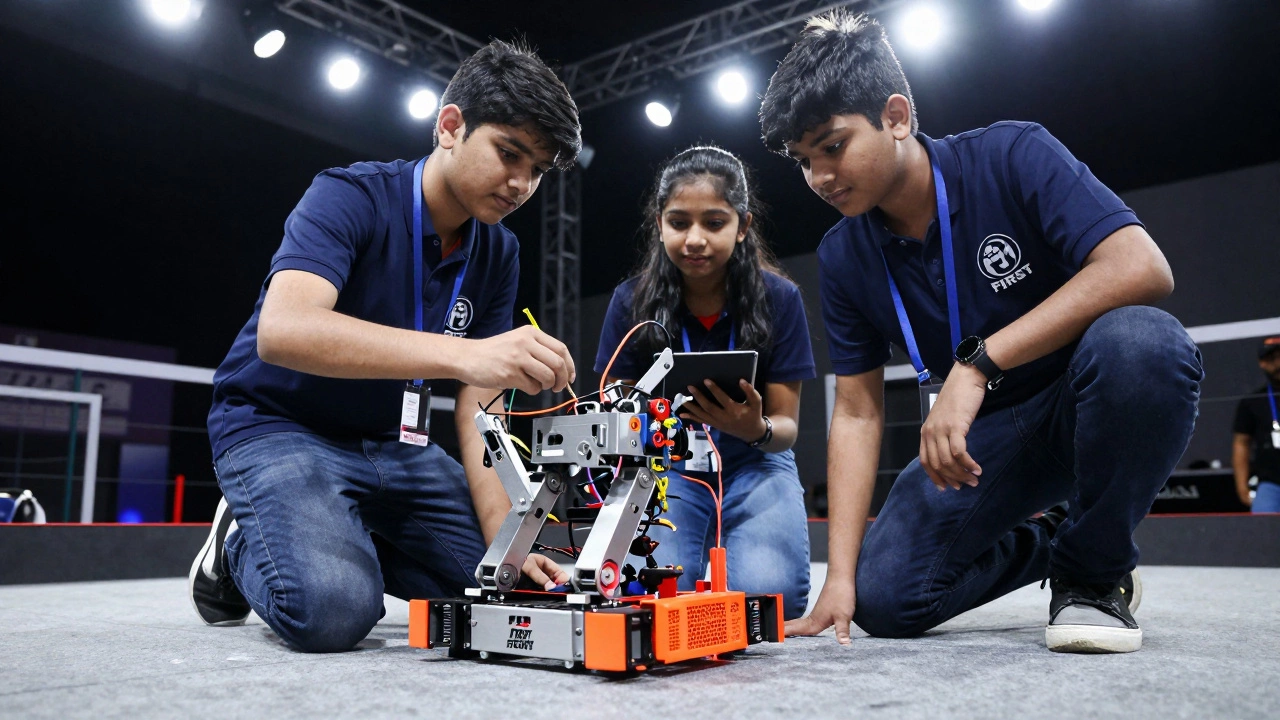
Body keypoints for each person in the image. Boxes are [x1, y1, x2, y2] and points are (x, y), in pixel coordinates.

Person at [759, 11, 1202, 653]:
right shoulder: (842, 255)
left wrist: (978, 363)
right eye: (803, 161)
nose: (820, 177)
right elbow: (856, 413)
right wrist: (840, 577)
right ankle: (1061, 535)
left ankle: (1094, 575)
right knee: (885, 598)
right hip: (985, 442)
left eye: (832, 145)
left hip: (1087, 400)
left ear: (896, 116)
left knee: (1144, 343)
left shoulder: (1011, 153)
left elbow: (1142, 266)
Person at [189, 40, 582, 652]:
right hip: (280, 426)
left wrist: (511, 540)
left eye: (537, 170)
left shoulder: (498, 250)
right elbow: (283, 330)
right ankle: (240, 541)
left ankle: (335, 529)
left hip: (397, 449)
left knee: (506, 591)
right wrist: (464, 355)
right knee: (333, 612)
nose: (521, 184)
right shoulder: (349, 195)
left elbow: (483, 413)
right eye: (510, 154)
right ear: (450, 127)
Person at [594, 145, 816, 619]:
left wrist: (753, 428)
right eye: (679, 222)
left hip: (757, 464)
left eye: (714, 223)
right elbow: (613, 404)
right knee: (653, 597)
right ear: (659, 224)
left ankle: (729, 531)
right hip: (668, 469)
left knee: (770, 600)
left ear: (743, 227)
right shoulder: (630, 302)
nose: (695, 239)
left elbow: (786, 428)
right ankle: (706, 529)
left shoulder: (781, 299)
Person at [1232, 336, 1280, 513]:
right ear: (1262, 363)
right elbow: (1241, 443)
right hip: (1271, 482)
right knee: (1262, 532)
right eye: (1272, 358)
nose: (1278, 363)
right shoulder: (1253, 402)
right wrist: (1242, 484)